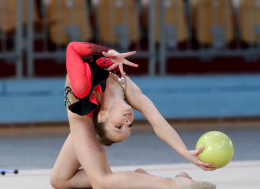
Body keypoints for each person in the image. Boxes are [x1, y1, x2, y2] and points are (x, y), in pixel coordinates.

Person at [50, 42, 216, 189]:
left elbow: (72, 49)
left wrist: (183, 151)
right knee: (60, 180)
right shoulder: (129, 89)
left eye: (119, 126)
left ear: (103, 115)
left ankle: (171, 185)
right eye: (128, 126)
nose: (128, 121)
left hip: (82, 115)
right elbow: (72, 47)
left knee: (99, 183)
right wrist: (108, 51)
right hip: (84, 116)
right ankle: (162, 182)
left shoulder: (82, 87)